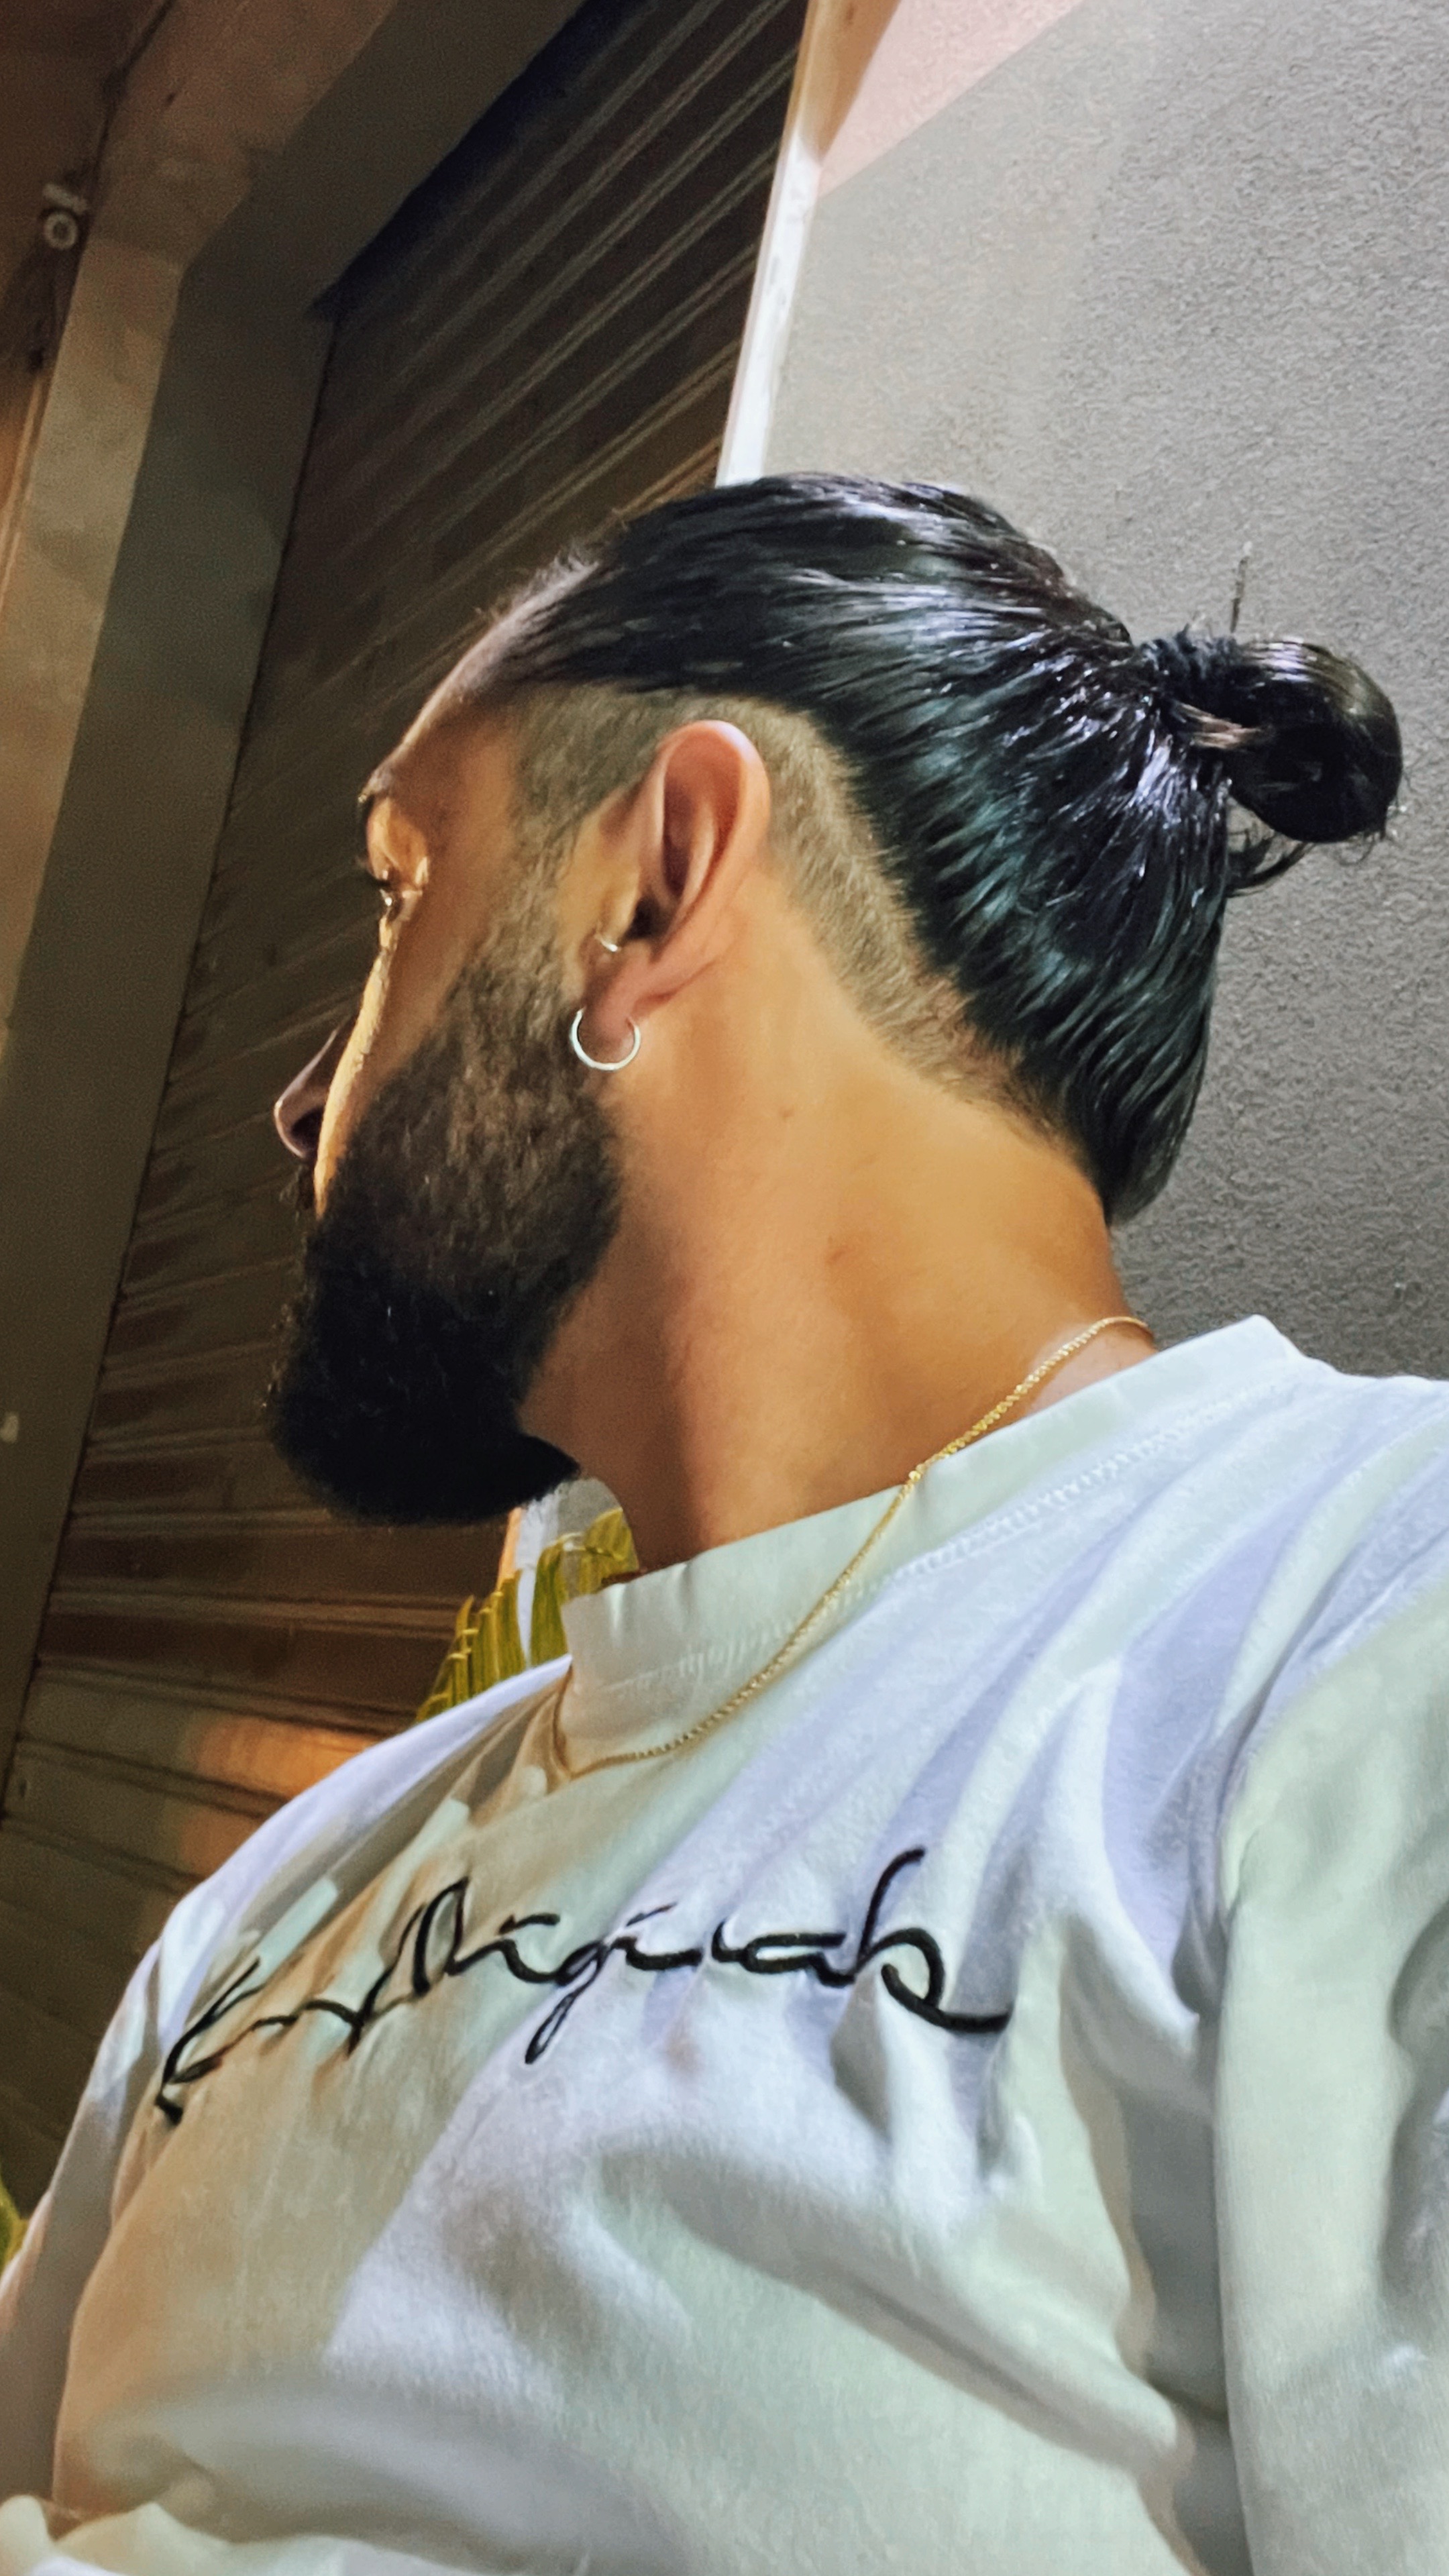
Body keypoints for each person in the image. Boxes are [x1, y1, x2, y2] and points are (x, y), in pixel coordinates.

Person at [0, 475, 1442, 2576]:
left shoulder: (1367, 1618)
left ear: (657, 888)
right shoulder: (297, 1885)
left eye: (400, 892)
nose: (300, 1101)